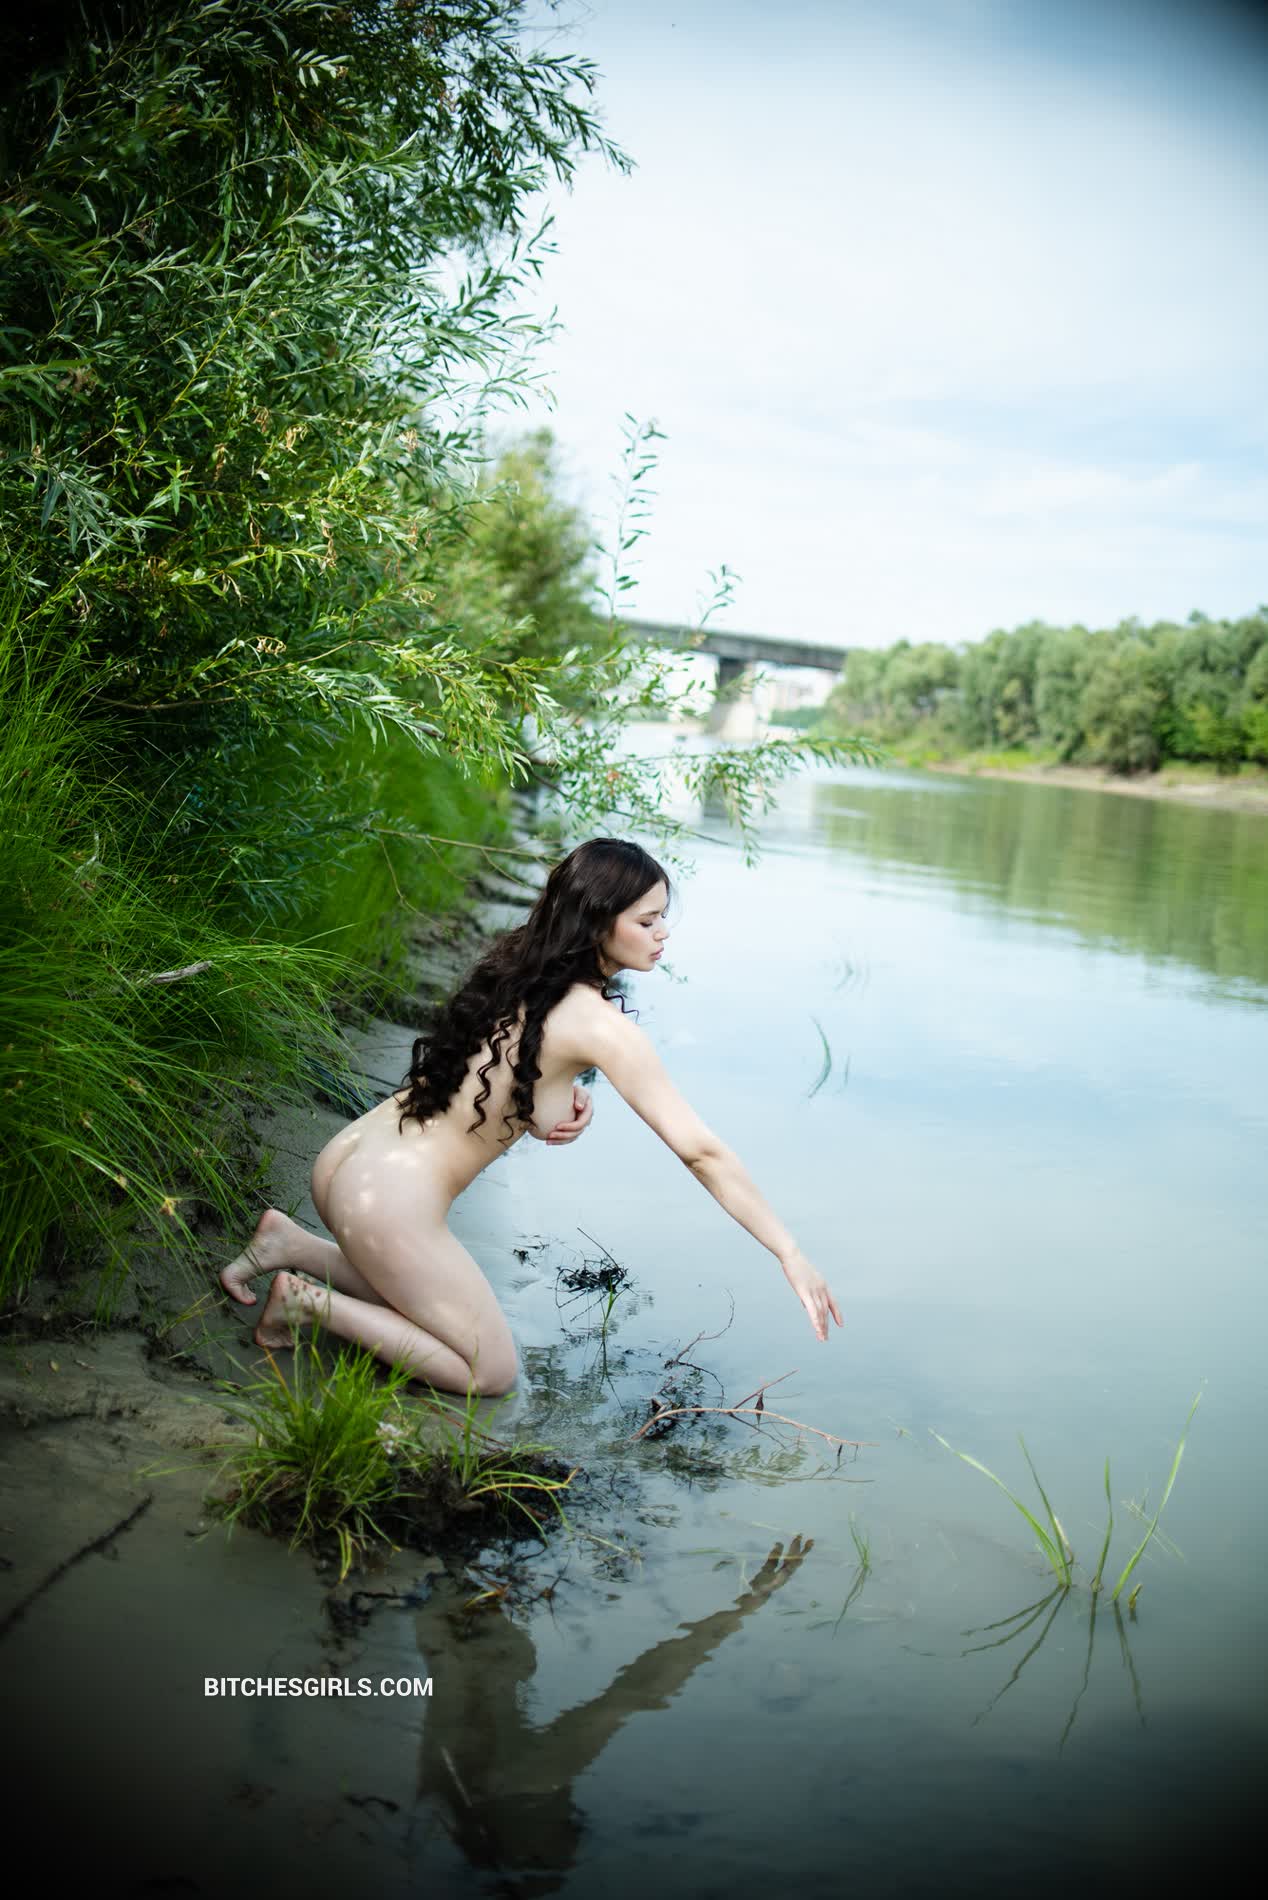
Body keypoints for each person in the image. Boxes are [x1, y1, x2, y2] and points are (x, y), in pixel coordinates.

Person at [219, 837, 843, 1393]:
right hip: (386, 1206)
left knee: (424, 1302)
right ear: (598, 923)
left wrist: (566, 1104)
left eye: (663, 918)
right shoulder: (602, 1026)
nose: (663, 934)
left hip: (351, 1160)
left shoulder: (519, 968)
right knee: (488, 1372)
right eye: (647, 920)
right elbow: (701, 1152)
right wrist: (788, 1251)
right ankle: (306, 1304)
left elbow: (504, 1083)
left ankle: (291, 1244)